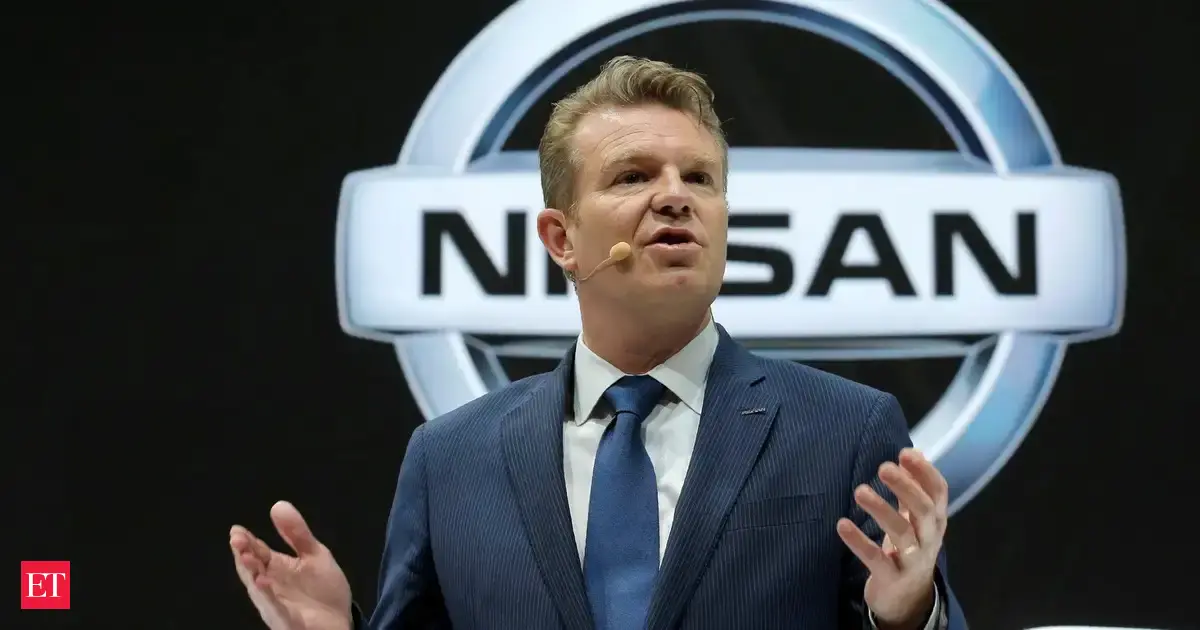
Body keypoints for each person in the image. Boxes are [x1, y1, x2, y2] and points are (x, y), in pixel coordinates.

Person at [230, 55, 967, 630]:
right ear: (561, 239)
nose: (674, 196)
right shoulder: (449, 459)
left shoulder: (843, 428)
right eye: (633, 176)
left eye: (700, 178)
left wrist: (907, 614)